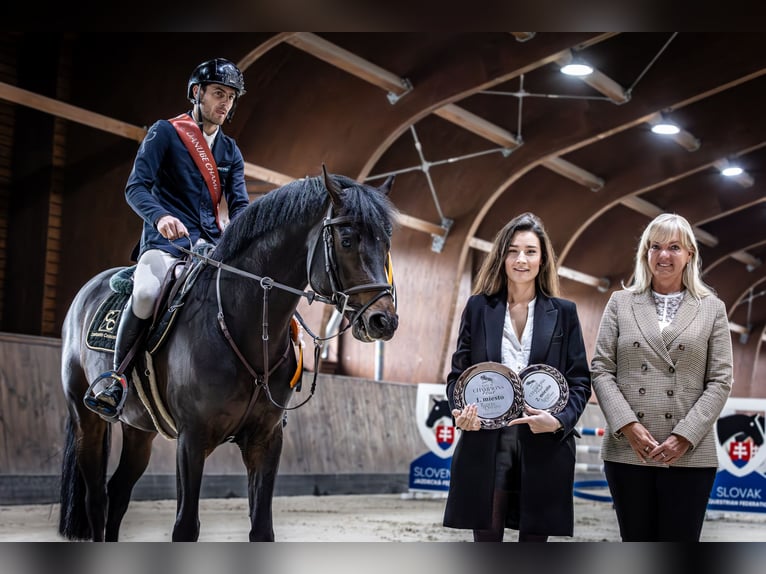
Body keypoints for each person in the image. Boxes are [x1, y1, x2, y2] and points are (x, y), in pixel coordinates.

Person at [84, 58, 251, 420]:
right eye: (219, 94)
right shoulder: (165, 133)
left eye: (231, 97)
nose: (226, 103)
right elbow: (135, 188)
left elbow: (240, 206)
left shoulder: (230, 152)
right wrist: (160, 217)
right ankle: (117, 378)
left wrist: (244, 241)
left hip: (210, 248)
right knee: (145, 293)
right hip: (165, 246)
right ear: (197, 93)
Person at [442, 212, 592, 542]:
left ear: (543, 260)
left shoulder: (564, 313)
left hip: (544, 442)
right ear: (501, 257)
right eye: (512, 250)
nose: (520, 259)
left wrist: (558, 421)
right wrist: (460, 412)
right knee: (486, 538)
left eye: (530, 251)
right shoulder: (478, 307)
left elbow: (580, 380)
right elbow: (458, 377)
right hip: (486, 441)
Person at [591, 213, 733, 542]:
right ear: (645, 254)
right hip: (628, 449)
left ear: (689, 255)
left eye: (673, 247)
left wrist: (684, 435)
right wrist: (629, 426)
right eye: (655, 247)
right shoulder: (620, 303)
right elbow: (601, 368)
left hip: (690, 454)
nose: (663, 255)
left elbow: (721, 380)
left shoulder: (712, 308)